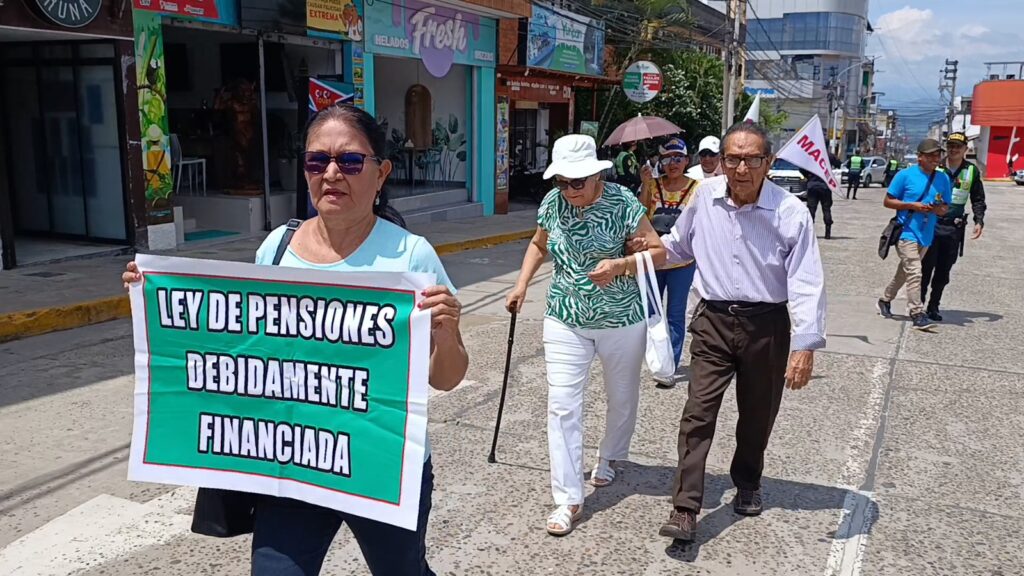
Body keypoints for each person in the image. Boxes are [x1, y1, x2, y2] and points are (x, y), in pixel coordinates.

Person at [122, 104, 468, 576]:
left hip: (382, 464)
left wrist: (446, 333)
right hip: (296, 463)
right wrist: (158, 298)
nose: (331, 174)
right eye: (316, 161)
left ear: (381, 172)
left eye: (349, 162)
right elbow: (238, 348)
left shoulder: (411, 257)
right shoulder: (277, 248)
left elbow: (447, 378)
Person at [651, 122, 827, 543]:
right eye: (733, 158)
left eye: (752, 159)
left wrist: (805, 345)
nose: (741, 168)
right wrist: (639, 253)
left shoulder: (790, 211)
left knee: (757, 413)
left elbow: (806, 280)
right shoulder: (705, 197)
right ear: (722, 161)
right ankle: (685, 507)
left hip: (766, 324)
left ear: (767, 163)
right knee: (697, 413)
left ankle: (748, 481)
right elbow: (678, 245)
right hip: (712, 320)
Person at [505, 134, 666, 537]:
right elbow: (539, 246)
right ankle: (568, 498)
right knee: (561, 404)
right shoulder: (552, 203)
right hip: (565, 317)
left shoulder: (623, 203)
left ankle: (609, 456)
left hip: (621, 320)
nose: (570, 189)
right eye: (562, 181)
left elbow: (659, 253)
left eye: (578, 181)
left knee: (622, 397)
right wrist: (522, 284)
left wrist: (622, 264)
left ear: (597, 175)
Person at [639, 137, 698, 387]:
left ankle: (669, 366)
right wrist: (643, 185)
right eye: (667, 158)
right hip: (653, 260)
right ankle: (654, 359)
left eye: (678, 158)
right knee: (650, 313)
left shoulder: (698, 188)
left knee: (675, 314)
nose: (672, 163)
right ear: (660, 161)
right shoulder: (652, 185)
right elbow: (639, 214)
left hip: (682, 263)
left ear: (686, 160)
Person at [876, 138, 952, 331]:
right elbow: (888, 201)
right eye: (931, 155)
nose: (936, 159)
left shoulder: (943, 178)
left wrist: (937, 209)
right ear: (920, 157)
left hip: (926, 234)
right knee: (916, 272)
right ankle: (917, 312)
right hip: (906, 231)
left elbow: (945, 207)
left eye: (938, 155)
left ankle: (884, 299)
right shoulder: (905, 175)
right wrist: (912, 206)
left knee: (905, 272)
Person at [919, 132, 987, 321]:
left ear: (966, 149)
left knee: (943, 269)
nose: (953, 149)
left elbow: (978, 198)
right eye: (950, 146)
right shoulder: (936, 168)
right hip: (932, 224)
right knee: (925, 268)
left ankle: (934, 306)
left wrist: (979, 220)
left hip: (953, 228)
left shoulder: (971, 171)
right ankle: (918, 306)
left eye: (958, 146)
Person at [801, 168, 833, 239]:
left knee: (811, 210)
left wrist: (808, 176)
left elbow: (801, 168)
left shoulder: (811, 160)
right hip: (825, 187)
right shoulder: (825, 160)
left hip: (812, 186)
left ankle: (809, 232)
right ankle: (828, 232)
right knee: (826, 209)